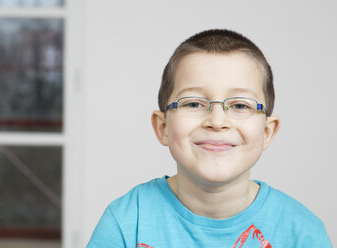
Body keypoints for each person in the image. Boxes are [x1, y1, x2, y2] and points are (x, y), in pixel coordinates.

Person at [86, 29, 333, 247]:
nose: (216, 121)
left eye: (240, 105)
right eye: (193, 103)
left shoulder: (303, 234)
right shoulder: (126, 222)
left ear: (267, 132)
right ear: (163, 127)